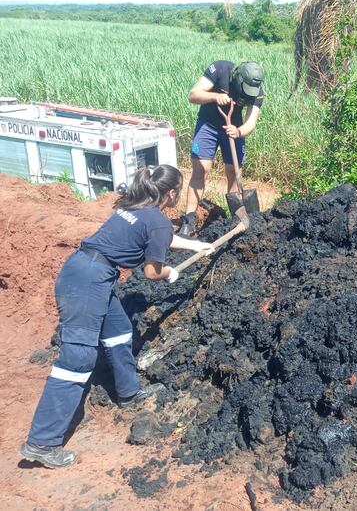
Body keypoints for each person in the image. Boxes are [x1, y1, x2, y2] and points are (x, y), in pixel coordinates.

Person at [20, 165, 214, 468]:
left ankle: (128, 393)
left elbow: (160, 238)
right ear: (173, 193)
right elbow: (152, 272)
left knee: (119, 331)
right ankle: (41, 442)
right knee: (78, 358)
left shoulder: (136, 208)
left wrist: (195, 245)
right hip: (89, 281)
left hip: (85, 270)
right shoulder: (158, 221)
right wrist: (170, 273)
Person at [179, 61, 265, 236]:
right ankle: (189, 221)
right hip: (208, 124)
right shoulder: (220, 69)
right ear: (238, 78)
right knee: (201, 171)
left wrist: (239, 132)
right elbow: (193, 95)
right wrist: (215, 97)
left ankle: (235, 219)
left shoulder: (257, 92)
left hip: (233, 129)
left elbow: (251, 123)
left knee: (233, 173)